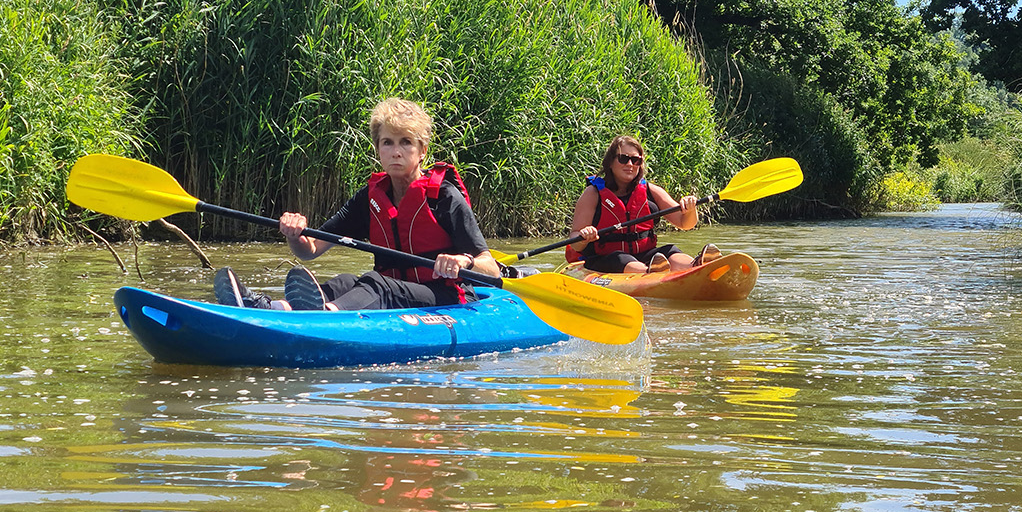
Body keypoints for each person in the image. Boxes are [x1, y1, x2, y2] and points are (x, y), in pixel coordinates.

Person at [214, 97, 499, 311]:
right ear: (378, 149)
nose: (396, 152)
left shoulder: (444, 197)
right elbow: (310, 250)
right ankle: (273, 308)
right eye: (387, 143)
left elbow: (491, 268)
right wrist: (294, 233)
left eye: (406, 143)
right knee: (344, 281)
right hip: (393, 290)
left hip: (445, 295)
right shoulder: (370, 198)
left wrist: (464, 260)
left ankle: (327, 316)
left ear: (422, 150)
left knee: (375, 282)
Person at [566, 135, 718, 274]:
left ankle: (697, 265)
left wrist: (690, 209)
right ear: (610, 162)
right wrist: (584, 236)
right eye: (623, 159)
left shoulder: (650, 191)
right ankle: (650, 273)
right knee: (620, 258)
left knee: (670, 250)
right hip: (605, 259)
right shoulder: (592, 194)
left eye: (636, 160)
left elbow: (685, 223)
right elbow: (575, 243)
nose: (630, 164)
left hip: (646, 255)